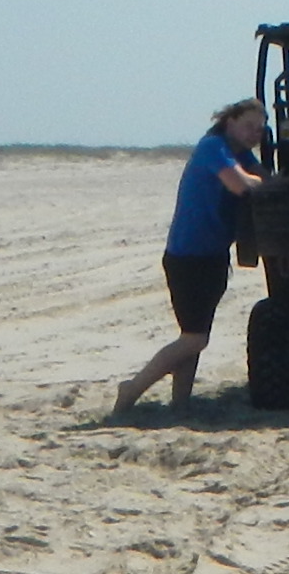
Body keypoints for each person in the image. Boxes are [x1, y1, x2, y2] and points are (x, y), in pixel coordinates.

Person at [113, 99, 267, 414]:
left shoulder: (241, 154)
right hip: (188, 255)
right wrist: (259, 181)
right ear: (230, 122)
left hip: (213, 255)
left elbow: (269, 179)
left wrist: (263, 180)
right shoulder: (214, 146)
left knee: (194, 335)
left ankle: (180, 402)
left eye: (261, 129)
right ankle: (132, 387)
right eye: (249, 126)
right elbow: (239, 185)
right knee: (195, 339)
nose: (255, 133)